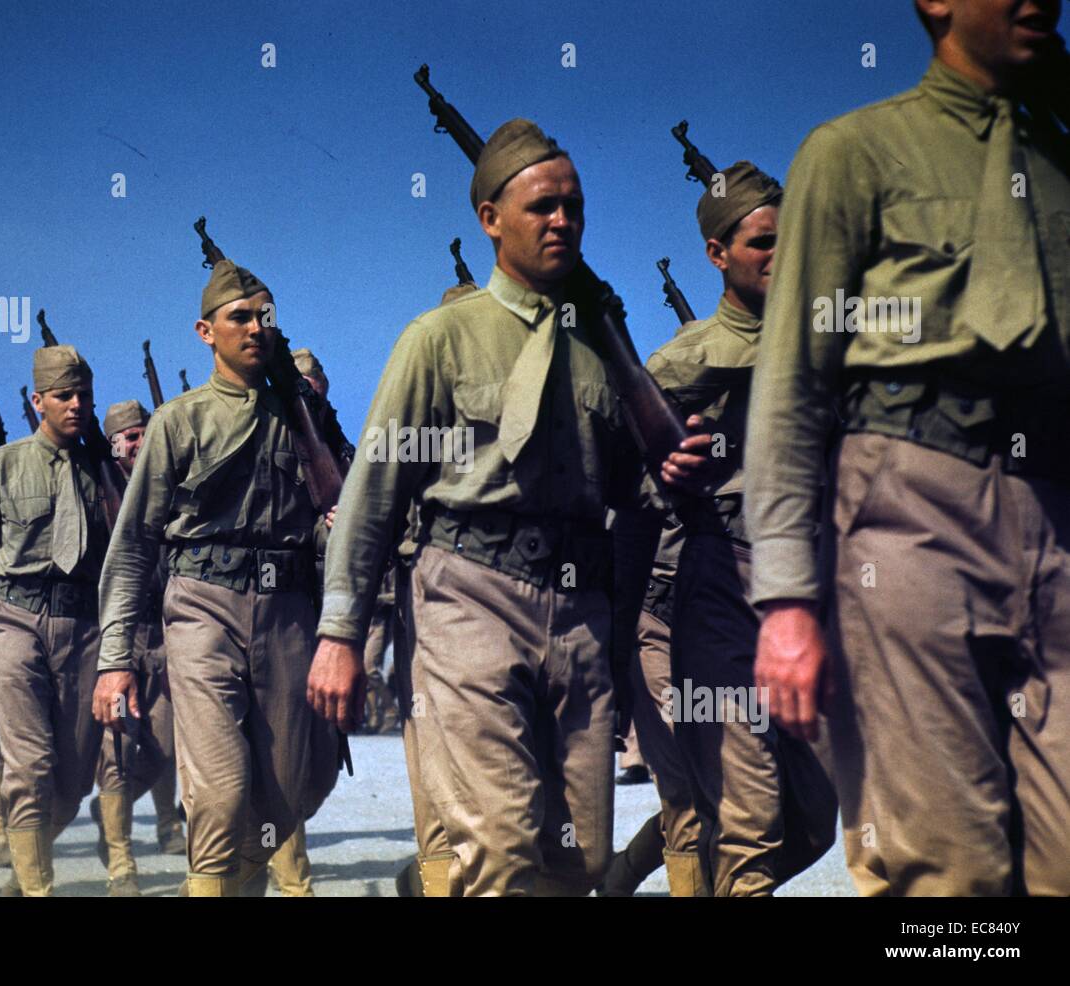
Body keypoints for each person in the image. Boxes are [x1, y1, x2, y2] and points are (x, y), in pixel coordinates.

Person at [309, 119, 719, 895]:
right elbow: (373, 495)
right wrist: (340, 632)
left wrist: (675, 468)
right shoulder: (439, 339)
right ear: (490, 220)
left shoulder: (607, 348)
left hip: (582, 614)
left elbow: (635, 495)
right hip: (468, 596)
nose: (562, 219)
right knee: (498, 851)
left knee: (579, 862)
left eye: (573, 206)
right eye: (541, 207)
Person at [748, 0, 1070, 895]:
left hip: (1060, 515)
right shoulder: (855, 153)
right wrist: (785, 598)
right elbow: (791, 380)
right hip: (908, 512)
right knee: (946, 873)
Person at [96, 260, 338, 897]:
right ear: (206, 332)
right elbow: (132, 549)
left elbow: (330, 520)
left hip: (288, 611)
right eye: (239, 317)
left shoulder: (301, 417)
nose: (255, 328)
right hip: (201, 608)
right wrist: (114, 659)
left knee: (290, 794)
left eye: (265, 317)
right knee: (222, 797)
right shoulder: (179, 421)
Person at [646, 163, 836, 896]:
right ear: (716, 255)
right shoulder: (679, 363)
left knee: (817, 815)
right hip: (719, 581)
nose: (781, 256)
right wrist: (663, 476)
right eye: (761, 243)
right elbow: (622, 489)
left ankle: (654, 871)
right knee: (749, 821)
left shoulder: (828, 345)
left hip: (812, 592)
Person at [0, 345, 110, 896]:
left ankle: (24, 865)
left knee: (77, 776)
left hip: (84, 628)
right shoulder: (0, 465)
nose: (75, 405)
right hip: (16, 622)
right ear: (38, 402)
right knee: (28, 768)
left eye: (83, 395)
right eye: (63, 396)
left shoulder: (105, 474)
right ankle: (38, 889)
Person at [86, 398, 181, 896]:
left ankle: (108, 819)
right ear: (112, 444)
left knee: (165, 747)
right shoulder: (95, 492)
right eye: (130, 436)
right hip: (116, 638)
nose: (139, 442)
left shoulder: (174, 486)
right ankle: (121, 861)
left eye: (146, 433)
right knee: (117, 747)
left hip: (166, 635)